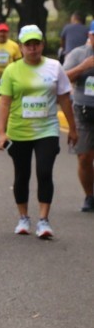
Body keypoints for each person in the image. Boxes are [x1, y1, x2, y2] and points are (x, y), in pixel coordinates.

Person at [0, 25, 77, 239]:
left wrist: (72, 128)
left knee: (44, 171)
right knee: (22, 174)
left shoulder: (55, 67)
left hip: (47, 129)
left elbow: (64, 99)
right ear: (20, 47)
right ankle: (23, 218)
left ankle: (43, 220)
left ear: (42, 45)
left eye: (36, 44)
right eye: (28, 45)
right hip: (19, 130)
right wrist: (1, 132)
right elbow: (4, 103)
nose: (33, 48)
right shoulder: (12, 70)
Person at [62, 20, 94, 212]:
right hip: (84, 112)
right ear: (90, 36)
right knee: (84, 157)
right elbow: (62, 78)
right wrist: (83, 67)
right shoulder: (79, 54)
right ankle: (90, 196)